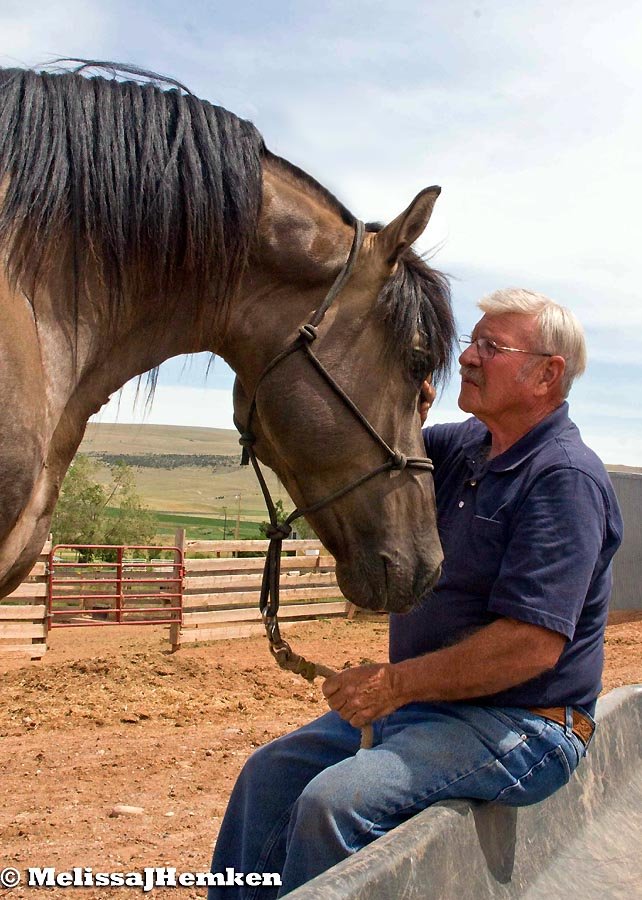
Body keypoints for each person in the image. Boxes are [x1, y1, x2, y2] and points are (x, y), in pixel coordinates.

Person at [208, 288, 622, 899]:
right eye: (470, 343)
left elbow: (530, 648)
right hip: (431, 709)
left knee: (335, 803)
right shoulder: (463, 448)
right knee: (266, 777)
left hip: (526, 723)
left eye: (491, 346)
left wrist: (395, 684)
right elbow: (375, 449)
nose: (470, 359)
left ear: (547, 373)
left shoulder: (563, 477)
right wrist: (397, 399)